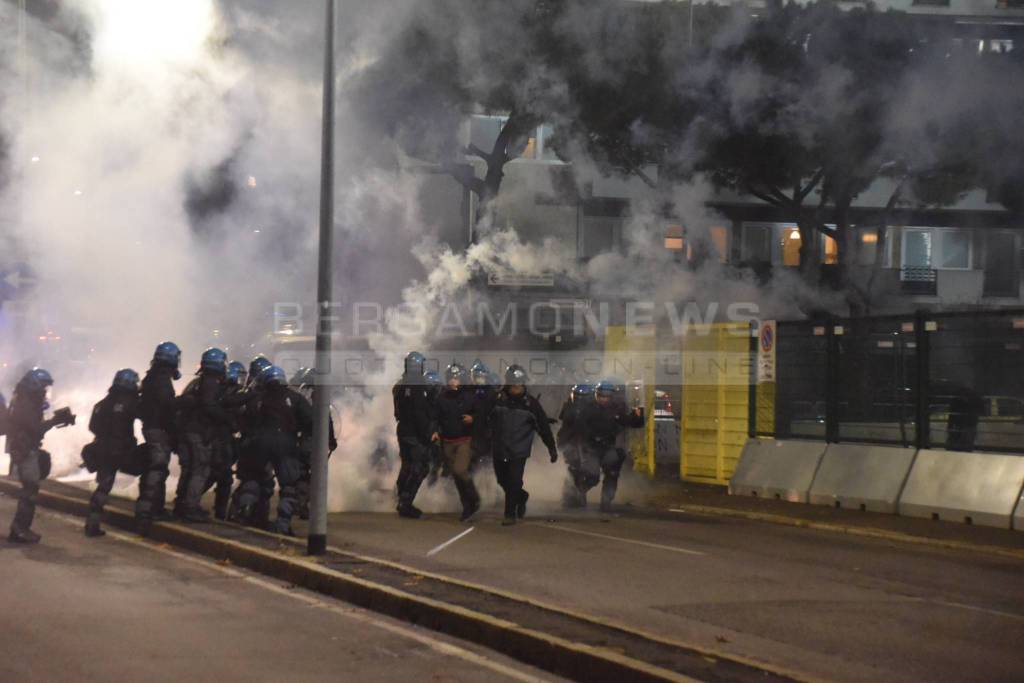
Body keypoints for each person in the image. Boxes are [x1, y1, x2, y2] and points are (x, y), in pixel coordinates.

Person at [232, 365, 312, 535]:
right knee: (289, 486)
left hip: (259, 443)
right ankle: (282, 526)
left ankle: (245, 512)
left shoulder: (257, 398)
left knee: (253, 479)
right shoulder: (295, 398)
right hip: (286, 445)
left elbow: (244, 419)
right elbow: (311, 421)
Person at [5, 368, 75, 543]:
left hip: (26, 448)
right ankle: (20, 529)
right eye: (43, 386)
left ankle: (20, 528)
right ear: (35, 385)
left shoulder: (26, 400)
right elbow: (35, 428)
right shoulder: (26, 403)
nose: (45, 390)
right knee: (30, 490)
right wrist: (54, 421)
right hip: (26, 450)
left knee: (30, 489)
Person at [488, 365, 557, 526]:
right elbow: (482, 419)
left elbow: (543, 427)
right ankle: (521, 496)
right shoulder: (495, 400)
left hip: (519, 450)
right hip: (499, 447)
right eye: (513, 384)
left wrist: (551, 448)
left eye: (519, 383)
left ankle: (509, 514)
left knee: (514, 480)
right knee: (502, 480)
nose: (516, 387)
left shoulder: (531, 404)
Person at [176, 347, 230, 522]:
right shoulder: (211, 383)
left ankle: (181, 503)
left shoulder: (197, 382)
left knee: (189, 469)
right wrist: (226, 418)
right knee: (200, 469)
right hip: (199, 431)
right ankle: (190, 507)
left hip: (187, 431)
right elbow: (209, 406)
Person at [84, 369, 140, 537]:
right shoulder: (130, 402)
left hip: (102, 448)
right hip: (118, 450)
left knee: (102, 485)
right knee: (104, 487)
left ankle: (92, 522)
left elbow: (92, 426)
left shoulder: (102, 403)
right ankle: (93, 524)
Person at [575, 379, 645, 512]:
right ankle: (581, 489)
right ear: (596, 395)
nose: (604, 399)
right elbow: (580, 428)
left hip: (608, 446)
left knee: (612, 473)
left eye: (607, 396)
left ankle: (606, 500)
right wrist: (588, 441)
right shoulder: (588, 410)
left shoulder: (616, 410)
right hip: (592, 448)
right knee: (593, 476)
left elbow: (629, 422)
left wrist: (638, 416)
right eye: (602, 396)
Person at [136, 341, 181, 535]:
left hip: (152, 427)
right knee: (157, 469)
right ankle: (146, 512)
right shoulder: (162, 379)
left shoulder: (151, 376)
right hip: (158, 429)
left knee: (156, 469)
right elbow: (166, 406)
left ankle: (155, 508)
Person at [392, 351, 438, 519]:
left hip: (403, 430)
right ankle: (405, 502)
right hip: (414, 433)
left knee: (407, 464)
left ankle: (399, 496)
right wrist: (428, 434)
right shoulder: (417, 386)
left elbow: (398, 411)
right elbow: (420, 414)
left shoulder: (399, 385)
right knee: (420, 467)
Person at [200, 360, 247, 520]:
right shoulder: (232, 394)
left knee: (215, 474)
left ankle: (190, 500)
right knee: (223, 476)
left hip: (220, 438)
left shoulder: (218, 390)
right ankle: (218, 511)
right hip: (222, 439)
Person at [435, 363, 481, 522]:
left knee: (460, 470)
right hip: (447, 441)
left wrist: (473, 418)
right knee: (455, 474)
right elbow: (435, 416)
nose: (453, 381)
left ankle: (473, 498)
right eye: (451, 378)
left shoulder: (470, 396)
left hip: (464, 440)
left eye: (456, 378)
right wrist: (434, 430)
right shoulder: (441, 397)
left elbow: (482, 414)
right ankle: (467, 505)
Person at [557, 383, 593, 509]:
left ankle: (579, 494)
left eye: (583, 396)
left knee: (587, 470)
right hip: (571, 441)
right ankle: (569, 497)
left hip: (586, 442)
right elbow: (565, 427)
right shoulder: (568, 407)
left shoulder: (593, 409)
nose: (580, 399)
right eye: (578, 396)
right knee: (573, 468)